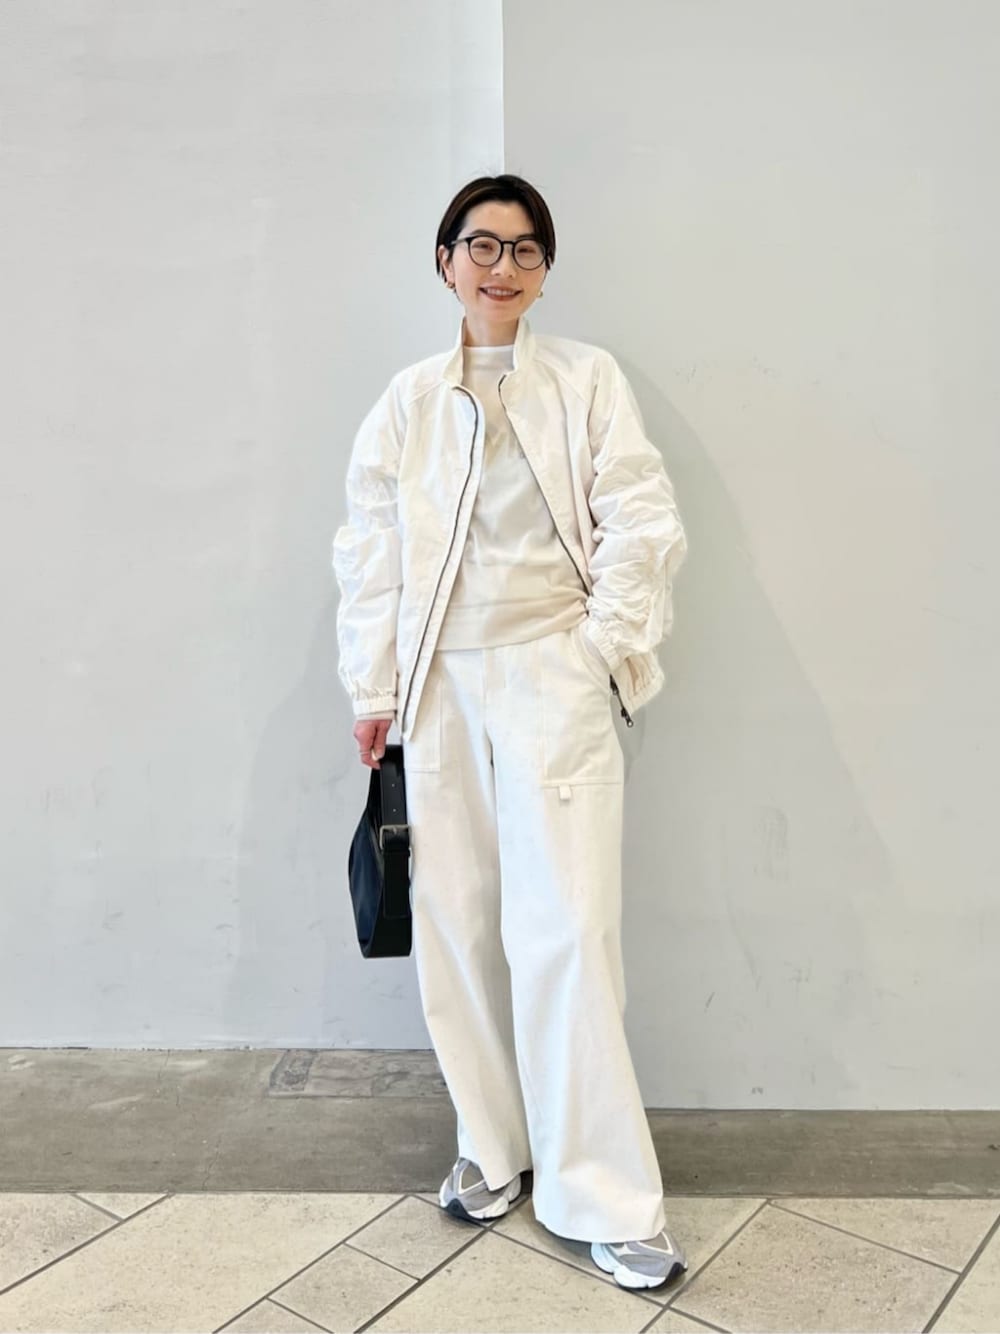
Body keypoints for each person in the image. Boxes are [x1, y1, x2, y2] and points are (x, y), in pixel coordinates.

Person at [332, 174, 689, 1291]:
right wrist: (374, 688)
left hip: (551, 669)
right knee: (456, 926)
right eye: (481, 245)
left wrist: (599, 646)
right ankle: (493, 1146)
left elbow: (641, 515)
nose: (502, 266)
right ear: (445, 261)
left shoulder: (585, 379)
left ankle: (606, 1195)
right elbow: (370, 551)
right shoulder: (406, 400)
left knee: (569, 928)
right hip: (438, 685)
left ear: (544, 269)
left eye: (525, 248)